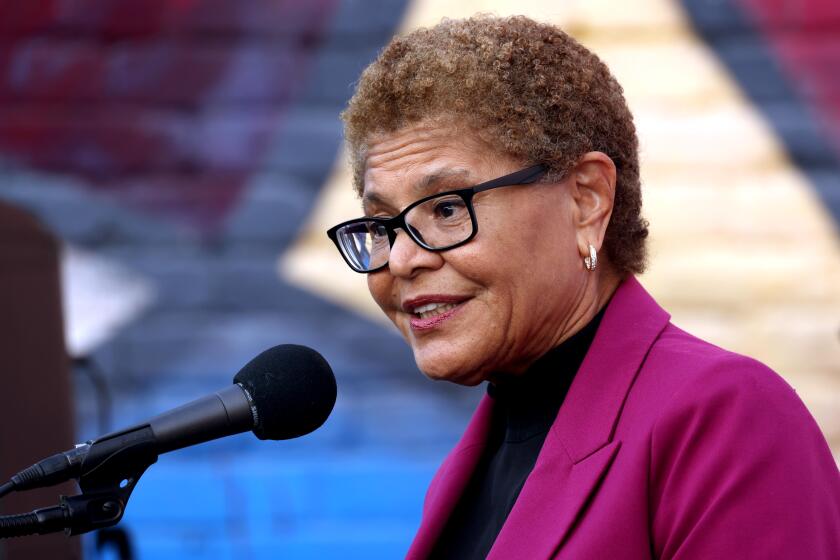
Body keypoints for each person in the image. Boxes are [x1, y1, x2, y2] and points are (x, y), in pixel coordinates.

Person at [326, 15, 840, 559]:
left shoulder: (725, 419)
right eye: (381, 225)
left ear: (586, 199)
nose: (403, 259)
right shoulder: (466, 470)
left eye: (448, 208)